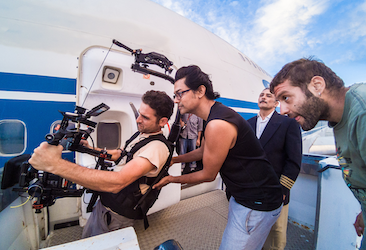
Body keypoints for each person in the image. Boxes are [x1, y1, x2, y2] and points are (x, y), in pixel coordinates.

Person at [153, 65, 283, 250]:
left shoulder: (217, 124)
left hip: (257, 203)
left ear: (200, 91)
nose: (176, 101)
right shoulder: (214, 115)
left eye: (180, 94)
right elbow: (202, 151)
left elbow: (208, 174)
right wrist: (173, 160)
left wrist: (171, 180)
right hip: (241, 196)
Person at [28, 90, 174, 237]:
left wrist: (55, 164)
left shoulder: (157, 148)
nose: (138, 120)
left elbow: (118, 182)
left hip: (116, 215)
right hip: (107, 205)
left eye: (145, 117)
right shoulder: (142, 134)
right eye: (139, 114)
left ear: (162, 122)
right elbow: (121, 154)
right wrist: (90, 149)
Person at [269, 58, 366, 249]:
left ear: (317, 85)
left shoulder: (362, 113)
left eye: (286, 98)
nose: (282, 111)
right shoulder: (339, 119)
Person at [247, 88, 302, 250]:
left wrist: (282, 188)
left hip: (276, 189)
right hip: (251, 190)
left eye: (268, 95)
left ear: (276, 103)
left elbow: (294, 160)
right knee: (252, 231)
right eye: (261, 95)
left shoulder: (288, 124)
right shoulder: (248, 124)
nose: (263, 97)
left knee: (275, 234)